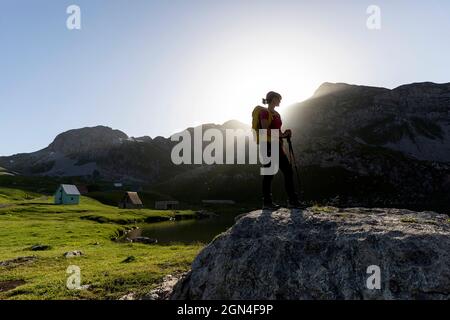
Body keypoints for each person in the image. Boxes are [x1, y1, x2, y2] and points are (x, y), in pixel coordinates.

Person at [259, 91, 301, 209]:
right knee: (269, 174)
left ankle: (292, 200)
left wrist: (285, 133)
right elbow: (265, 130)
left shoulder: (277, 114)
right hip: (268, 145)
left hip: (277, 145)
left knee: (288, 171)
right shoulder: (264, 112)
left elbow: (278, 131)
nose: (280, 101)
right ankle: (267, 202)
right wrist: (282, 135)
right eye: (278, 99)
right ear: (273, 99)